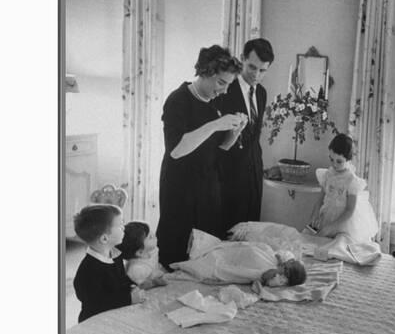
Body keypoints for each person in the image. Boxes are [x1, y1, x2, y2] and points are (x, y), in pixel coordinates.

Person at [156, 45, 247, 270]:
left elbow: (221, 148)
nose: (224, 91)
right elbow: (176, 150)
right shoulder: (177, 100)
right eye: (221, 83)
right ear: (205, 72)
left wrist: (234, 132)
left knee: (204, 255)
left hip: (208, 187)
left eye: (228, 85)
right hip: (180, 189)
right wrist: (215, 124)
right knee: (176, 255)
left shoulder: (215, 102)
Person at [215, 38, 274, 233]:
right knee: (227, 232)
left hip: (253, 172)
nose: (256, 75)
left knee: (249, 231)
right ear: (242, 60)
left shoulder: (262, 93)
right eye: (252, 67)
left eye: (263, 70)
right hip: (228, 173)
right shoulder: (224, 89)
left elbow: (254, 135)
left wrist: (259, 169)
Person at [73, 205, 145, 323]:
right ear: (105, 239)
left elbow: (119, 281)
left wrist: (133, 285)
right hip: (94, 321)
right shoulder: (89, 270)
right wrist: (129, 299)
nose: (124, 228)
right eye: (120, 226)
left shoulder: (115, 254)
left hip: (115, 313)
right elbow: (96, 303)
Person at [169, 229, 306, 287]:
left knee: (208, 264)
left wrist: (277, 272)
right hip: (241, 253)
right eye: (289, 265)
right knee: (211, 247)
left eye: (288, 271)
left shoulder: (278, 277)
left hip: (243, 266)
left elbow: (267, 279)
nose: (286, 268)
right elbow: (283, 254)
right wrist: (282, 261)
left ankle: (190, 261)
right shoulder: (280, 257)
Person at [308, 133, 379, 243]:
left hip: (343, 222)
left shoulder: (352, 181)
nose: (334, 164)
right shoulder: (327, 174)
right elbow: (321, 198)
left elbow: (349, 210)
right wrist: (316, 212)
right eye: (331, 159)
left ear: (348, 160)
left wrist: (332, 227)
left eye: (339, 161)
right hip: (327, 217)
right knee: (319, 243)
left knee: (339, 244)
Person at [117, 221, 168, 289]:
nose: (154, 234)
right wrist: (155, 282)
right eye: (150, 237)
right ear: (140, 252)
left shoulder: (153, 250)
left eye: (151, 232)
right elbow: (140, 286)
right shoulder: (136, 270)